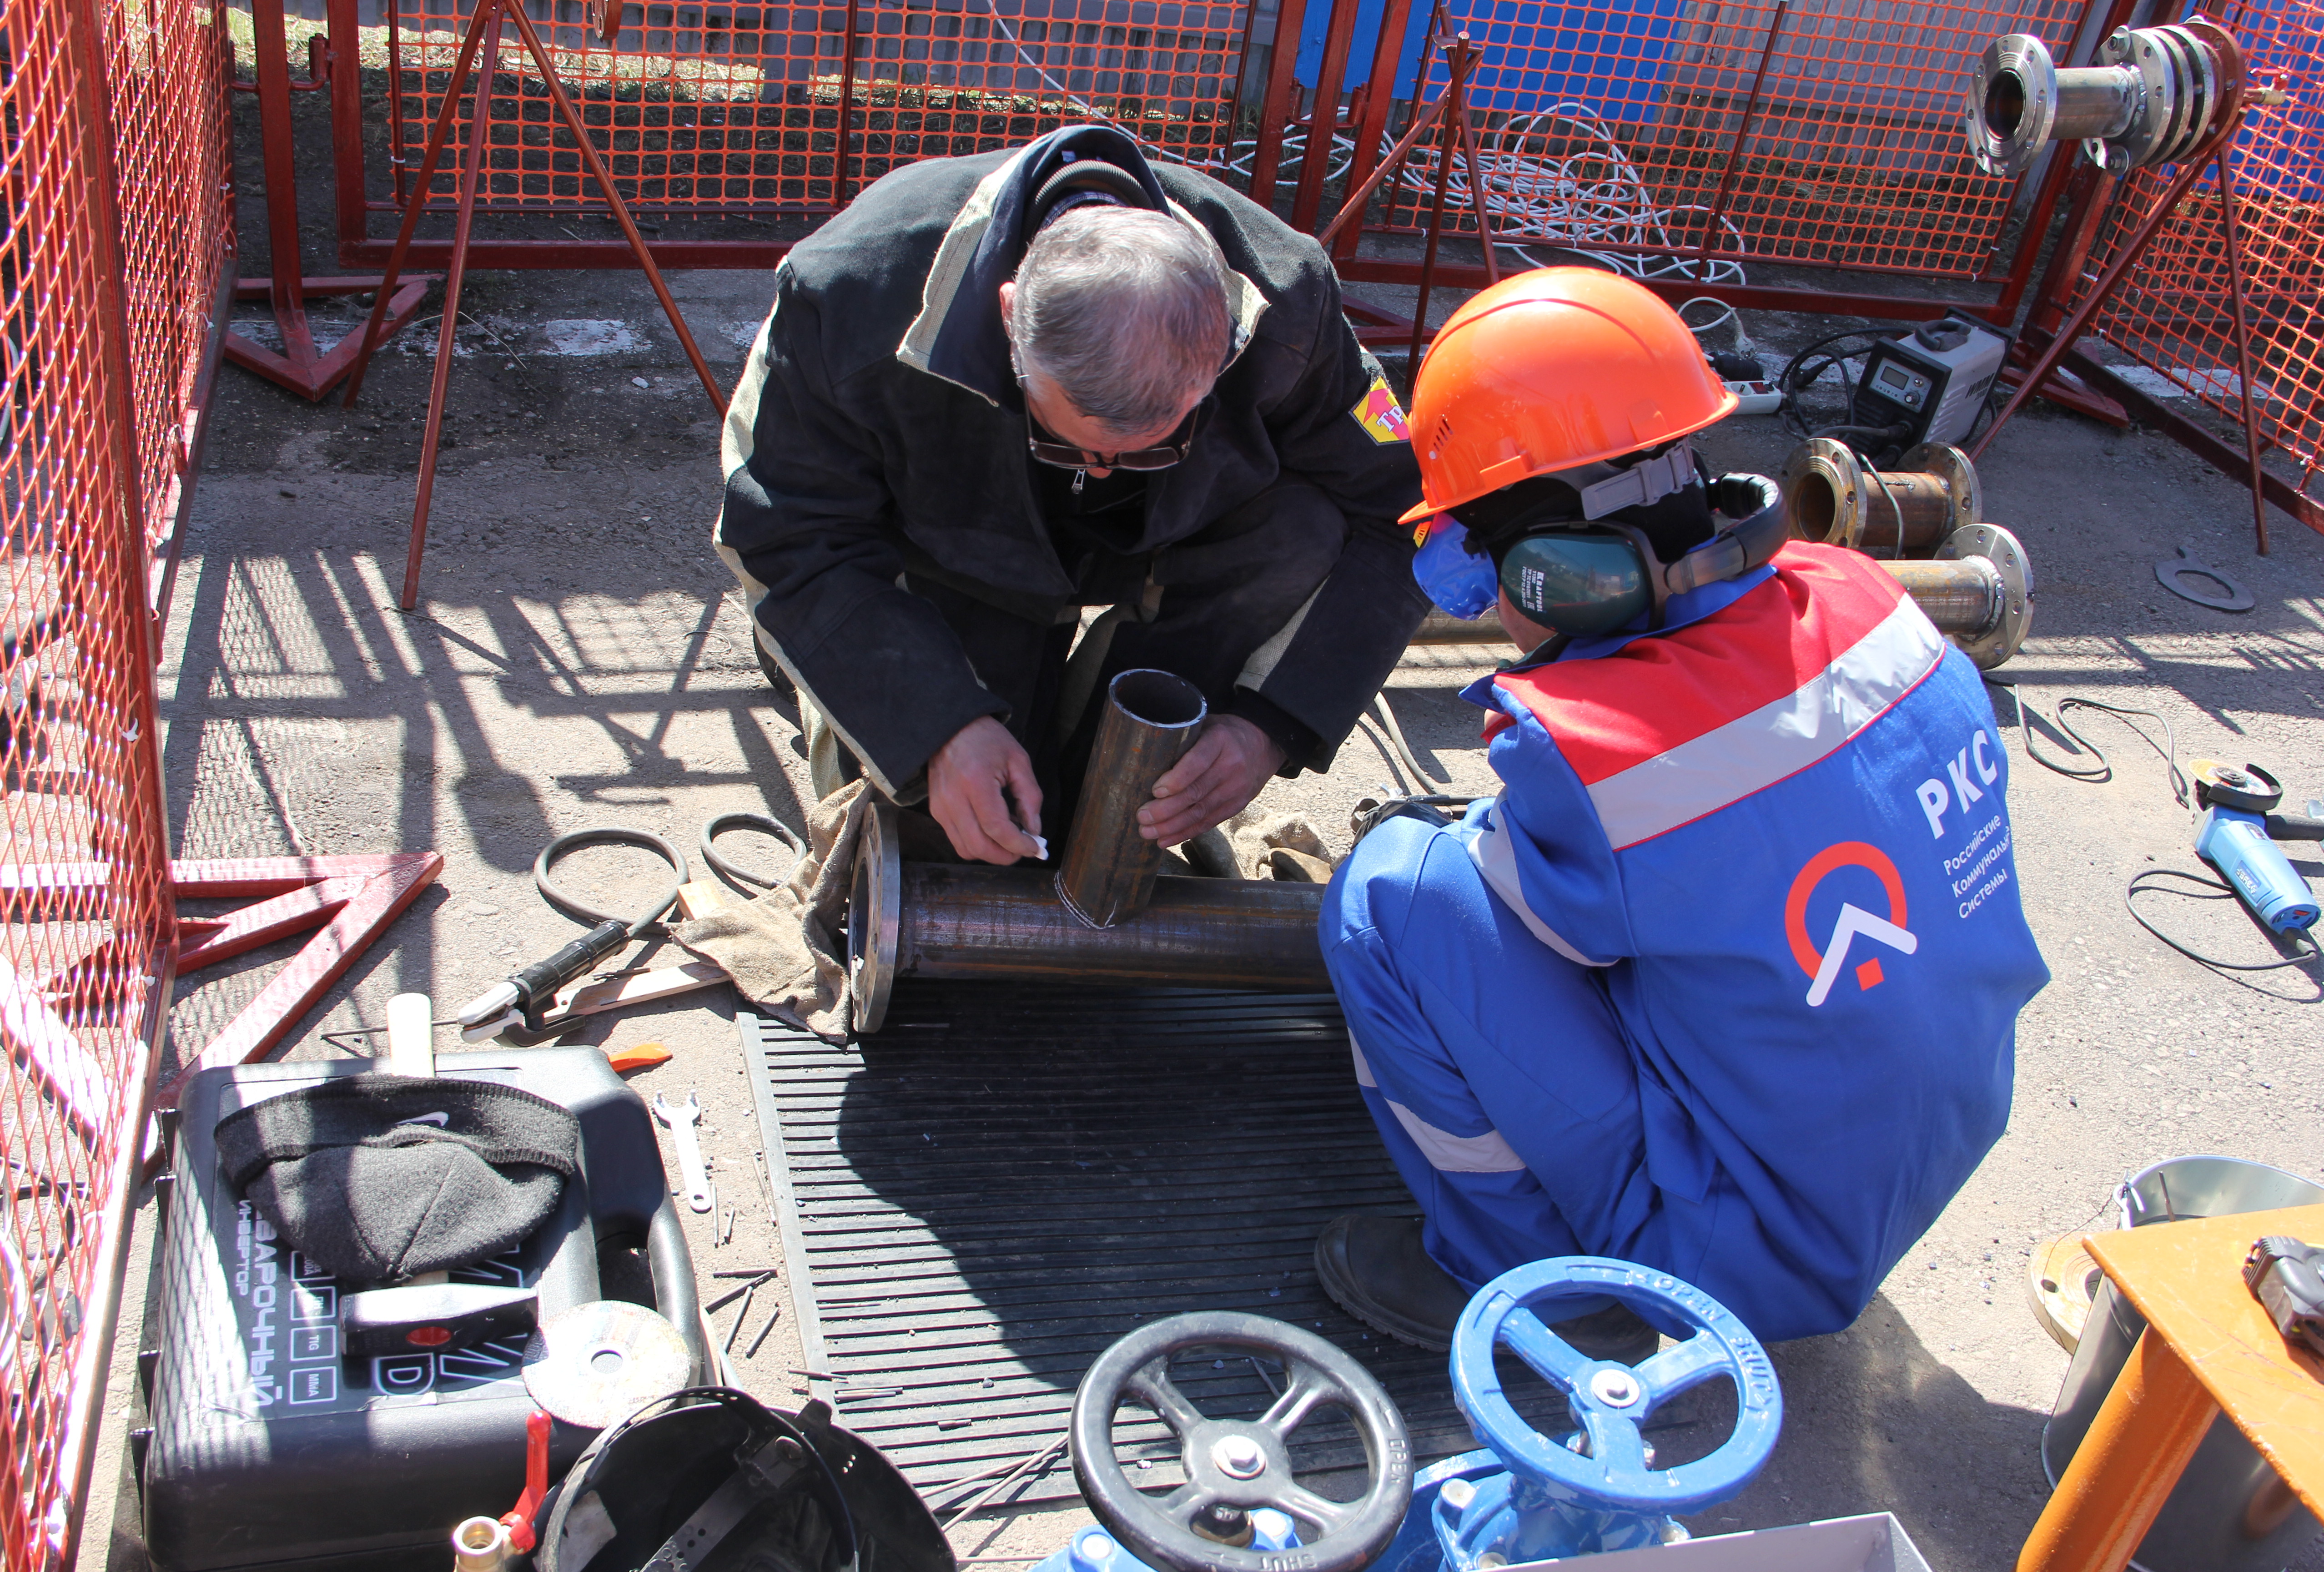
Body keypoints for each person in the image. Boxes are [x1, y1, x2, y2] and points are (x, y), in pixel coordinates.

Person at [1313, 269, 2050, 1359]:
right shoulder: (1866, 594)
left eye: (1471, 567)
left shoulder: (1594, 756)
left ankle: (1520, 1285)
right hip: (1928, 1152)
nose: (1482, 605)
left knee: (1393, 894)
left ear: (1555, 570)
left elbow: (1525, 924)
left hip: (1744, 1259)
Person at [715, 127, 1427, 864]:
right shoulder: (849, 296)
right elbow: (785, 531)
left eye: (1157, 444)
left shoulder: (1285, 303)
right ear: (1007, 315)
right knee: (957, 839)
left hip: (1160, 539)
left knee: (1302, 527)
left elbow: (1404, 511)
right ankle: (862, 690)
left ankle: (1109, 754)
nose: (1108, 470)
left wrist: (1268, 724)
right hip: (947, 543)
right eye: (1074, 443)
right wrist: (937, 726)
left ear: (1224, 347)